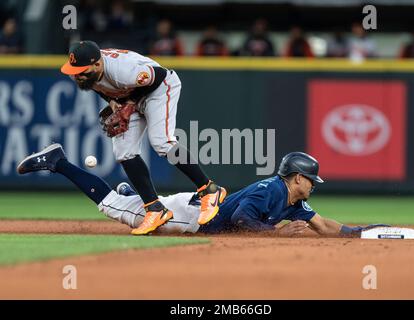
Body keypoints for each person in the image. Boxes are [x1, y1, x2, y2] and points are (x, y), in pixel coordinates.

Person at [16, 144, 384, 237]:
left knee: (127, 200)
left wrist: (355, 232)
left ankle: (132, 191)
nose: (313, 185)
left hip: (198, 215)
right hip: (190, 217)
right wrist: (275, 230)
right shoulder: (269, 191)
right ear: (296, 178)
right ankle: (60, 161)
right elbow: (241, 218)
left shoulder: (292, 199)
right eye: (311, 180)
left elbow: (321, 225)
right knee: (115, 208)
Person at [60, 40, 226, 236]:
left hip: (160, 89)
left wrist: (129, 103)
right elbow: (104, 88)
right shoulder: (89, 72)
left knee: (162, 142)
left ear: (98, 64)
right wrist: (115, 104)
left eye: (82, 71)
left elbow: (159, 76)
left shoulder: (123, 70)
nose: (77, 75)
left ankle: (209, 189)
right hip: (133, 96)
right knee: (123, 151)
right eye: (74, 70)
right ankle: (155, 209)